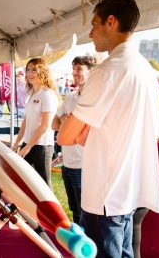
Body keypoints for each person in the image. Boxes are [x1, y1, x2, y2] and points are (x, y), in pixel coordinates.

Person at [57, 0, 159, 257]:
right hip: (130, 189)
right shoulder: (146, 71)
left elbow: (65, 135)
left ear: (111, 22)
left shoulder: (107, 71)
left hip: (106, 193)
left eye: (94, 24)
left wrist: (82, 132)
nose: (91, 33)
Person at [52, 56, 96, 224]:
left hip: (83, 165)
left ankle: (86, 247)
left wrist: (68, 122)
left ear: (90, 71)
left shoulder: (94, 98)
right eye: (74, 68)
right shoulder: (70, 97)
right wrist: (66, 120)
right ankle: (79, 244)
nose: (74, 72)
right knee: (74, 209)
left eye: (79, 68)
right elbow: (54, 124)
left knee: (84, 212)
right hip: (67, 164)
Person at [12, 58, 60, 189]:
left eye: (34, 70)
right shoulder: (31, 93)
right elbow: (26, 121)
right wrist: (17, 143)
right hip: (28, 143)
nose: (30, 73)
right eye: (28, 70)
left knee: (44, 185)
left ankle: (50, 210)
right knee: (22, 179)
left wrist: (27, 147)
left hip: (42, 146)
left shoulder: (47, 94)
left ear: (43, 71)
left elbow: (45, 126)